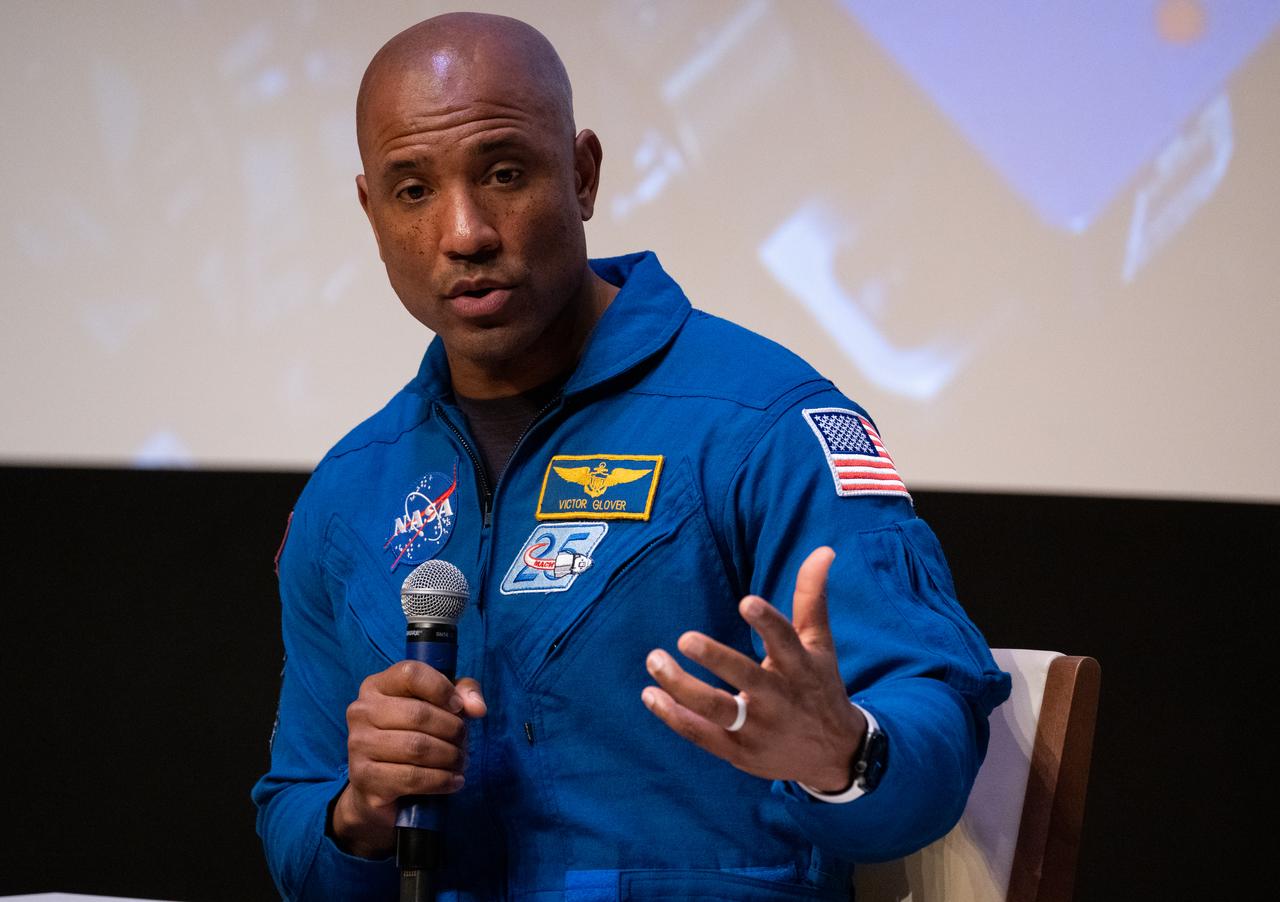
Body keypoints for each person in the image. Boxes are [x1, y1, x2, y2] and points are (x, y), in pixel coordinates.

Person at [252, 12, 1011, 901]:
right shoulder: (349, 494)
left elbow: (933, 735)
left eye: (503, 174)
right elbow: (297, 837)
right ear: (371, 212)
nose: (464, 232)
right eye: (413, 190)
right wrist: (361, 811)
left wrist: (841, 753)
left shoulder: (763, 423)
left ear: (582, 174)